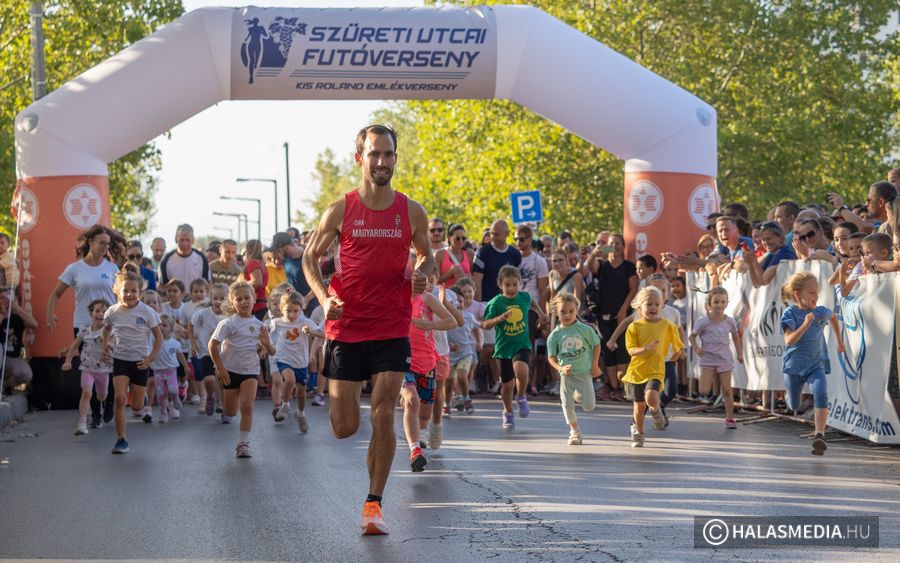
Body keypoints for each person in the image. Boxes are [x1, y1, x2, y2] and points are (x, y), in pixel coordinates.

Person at [301, 124, 432, 536]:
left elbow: (426, 255)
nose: (381, 161)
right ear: (360, 159)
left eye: (388, 154)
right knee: (344, 427)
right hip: (347, 326)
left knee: (384, 413)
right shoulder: (340, 210)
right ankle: (353, 421)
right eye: (374, 154)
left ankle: (373, 505)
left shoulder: (411, 211)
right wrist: (324, 299)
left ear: (395, 158)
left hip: (392, 326)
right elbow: (309, 258)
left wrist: (422, 273)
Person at [47, 225, 120, 426]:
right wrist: (50, 312)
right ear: (90, 242)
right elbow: (56, 293)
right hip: (83, 325)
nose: (105, 247)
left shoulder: (112, 269)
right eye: (101, 243)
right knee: (90, 366)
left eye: (108, 244)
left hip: (108, 326)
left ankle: (109, 400)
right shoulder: (75, 269)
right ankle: (95, 414)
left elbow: (119, 297)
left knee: (110, 363)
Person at [210, 280, 275, 458]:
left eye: (247, 298)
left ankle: (243, 444)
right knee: (230, 412)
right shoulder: (228, 323)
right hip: (230, 371)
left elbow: (271, 351)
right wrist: (220, 368)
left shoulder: (260, 325)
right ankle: (230, 396)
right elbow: (212, 345)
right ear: (232, 302)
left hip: (250, 372)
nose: (244, 302)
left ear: (254, 299)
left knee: (247, 407)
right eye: (238, 299)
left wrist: (266, 345)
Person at [781, 272, 844, 455]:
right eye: (811, 292)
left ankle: (820, 435)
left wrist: (839, 341)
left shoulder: (820, 312)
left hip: (816, 365)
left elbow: (833, 317)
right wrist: (805, 325)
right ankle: (788, 397)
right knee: (794, 405)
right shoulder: (790, 313)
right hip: (794, 367)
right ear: (797, 294)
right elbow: (789, 341)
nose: (816, 296)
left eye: (817, 292)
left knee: (821, 393)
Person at [101, 270, 163, 454]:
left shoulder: (147, 312)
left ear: (140, 292)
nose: (129, 294)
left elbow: (159, 337)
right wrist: (105, 346)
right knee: (120, 399)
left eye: (133, 291)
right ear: (118, 291)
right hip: (120, 360)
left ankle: (142, 398)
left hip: (140, 362)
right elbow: (106, 329)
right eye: (125, 290)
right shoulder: (112, 311)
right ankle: (121, 440)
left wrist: (151, 358)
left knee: (137, 407)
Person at [482, 265, 549, 429]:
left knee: (522, 371)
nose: (511, 289)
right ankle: (508, 411)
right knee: (507, 385)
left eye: (514, 284)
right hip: (504, 348)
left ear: (520, 283)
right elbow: (485, 324)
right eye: (507, 285)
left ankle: (521, 396)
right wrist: (499, 318)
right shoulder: (496, 303)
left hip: (521, 344)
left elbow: (532, 302)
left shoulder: (524, 297)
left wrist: (541, 314)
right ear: (500, 285)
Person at [402, 279, 457, 471]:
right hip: (402, 360)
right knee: (411, 400)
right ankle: (415, 450)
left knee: (425, 412)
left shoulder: (426, 299)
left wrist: (429, 324)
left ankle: (425, 429)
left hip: (426, 362)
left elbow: (452, 321)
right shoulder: (395, 297)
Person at [622, 286, 684, 448]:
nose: (653, 307)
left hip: (656, 369)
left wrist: (678, 353)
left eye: (657, 304)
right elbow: (631, 350)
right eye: (649, 304)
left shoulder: (667, 325)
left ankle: (656, 411)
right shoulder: (634, 327)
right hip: (636, 372)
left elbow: (677, 343)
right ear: (639, 307)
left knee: (650, 398)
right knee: (639, 407)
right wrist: (645, 348)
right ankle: (639, 433)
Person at [587, 234, 637, 401]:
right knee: (608, 351)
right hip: (603, 315)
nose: (614, 246)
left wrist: (623, 310)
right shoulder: (602, 265)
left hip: (623, 315)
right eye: (611, 244)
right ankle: (614, 388)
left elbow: (633, 289)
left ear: (623, 247)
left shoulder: (629, 267)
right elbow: (590, 267)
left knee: (622, 350)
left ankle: (624, 388)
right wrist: (593, 254)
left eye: (617, 243)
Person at [546, 292, 601, 445]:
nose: (567, 315)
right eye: (563, 311)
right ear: (556, 312)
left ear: (577, 310)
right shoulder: (554, 336)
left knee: (589, 406)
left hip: (584, 373)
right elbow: (551, 358)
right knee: (567, 404)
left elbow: (597, 345)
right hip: (567, 375)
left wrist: (594, 365)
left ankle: (579, 395)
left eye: (571, 311)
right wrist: (561, 368)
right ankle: (574, 431)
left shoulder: (584, 329)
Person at [690, 287, 744, 429]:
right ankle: (711, 378)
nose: (719, 305)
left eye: (722, 302)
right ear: (709, 304)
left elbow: (736, 337)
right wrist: (697, 348)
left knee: (727, 390)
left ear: (726, 303)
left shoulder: (730, 321)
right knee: (703, 391)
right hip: (708, 358)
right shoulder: (703, 322)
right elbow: (692, 337)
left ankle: (730, 418)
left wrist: (740, 353)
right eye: (716, 302)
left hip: (724, 358)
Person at [270, 292, 321, 432]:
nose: (292, 315)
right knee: (290, 380)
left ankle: (300, 413)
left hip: (301, 362)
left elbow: (322, 334)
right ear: (281, 308)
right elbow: (268, 338)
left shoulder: (305, 322)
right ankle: (285, 404)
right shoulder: (276, 323)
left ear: (301, 309)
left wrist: (311, 332)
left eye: (295, 311)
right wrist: (263, 347)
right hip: (283, 358)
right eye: (288, 311)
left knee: (301, 395)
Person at [62, 299, 112, 434]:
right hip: (87, 368)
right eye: (97, 311)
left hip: (103, 370)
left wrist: (107, 342)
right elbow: (74, 346)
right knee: (86, 393)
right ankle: (82, 424)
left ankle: (104, 403)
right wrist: (68, 361)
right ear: (91, 313)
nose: (100, 314)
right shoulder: (84, 330)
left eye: (104, 312)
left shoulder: (108, 330)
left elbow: (115, 346)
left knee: (101, 396)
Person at [189, 283, 228, 417]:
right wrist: (193, 344)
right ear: (210, 299)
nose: (218, 302)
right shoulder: (203, 314)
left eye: (222, 299)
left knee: (223, 381)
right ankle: (210, 397)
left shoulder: (229, 316)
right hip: (206, 352)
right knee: (209, 380)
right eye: (215, 298)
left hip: (224, 354)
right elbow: (190, 325)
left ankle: (223, 406)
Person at [446, 285, 482, 415]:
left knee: (462, 376)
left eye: (460, 301)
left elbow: (478, 327)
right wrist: (449, 346)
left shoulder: (468, 317)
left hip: (466, 353)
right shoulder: (444, 318)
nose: (458, 304)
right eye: (454, 302)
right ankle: (447, 404)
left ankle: (466, 400)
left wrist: (479, 342)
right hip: (450, 355)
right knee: (449, 382)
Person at [150, 315, 189, 423]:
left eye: (164, 325)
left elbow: (180, 354)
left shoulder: (175, 343)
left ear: (171, 329)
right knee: (161, 393)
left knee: (173, 390)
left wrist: (185, 365)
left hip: (171, 371)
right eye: (159, 325)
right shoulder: (153, 341)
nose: (161, 327)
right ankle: (163, 413)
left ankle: (175, 400)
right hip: (158, 371)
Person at [471, 220, 521, 303]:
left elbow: (518, 280)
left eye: (497, 234)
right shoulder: (482, 253)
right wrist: (479, 305)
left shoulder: (515, 254)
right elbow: (477, 280)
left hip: (509, 302)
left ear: (507, 233)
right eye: (492, 233)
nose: (493, 237)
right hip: (488, 302)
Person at [1, 287, 37, 393]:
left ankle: (4, 386)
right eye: (2, 298)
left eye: (7, 298)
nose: (6, 301)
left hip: (11, 359)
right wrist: (2, 314)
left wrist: (16, 307)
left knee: (26, 373)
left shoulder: (16, 317)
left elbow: (34, 324)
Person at [435, 224, 474, 289]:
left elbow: (475, 279)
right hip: (447, 293)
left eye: (463, 238)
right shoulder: (440, 255)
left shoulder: (470, 254)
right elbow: (434, 281)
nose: (460, 241)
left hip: (464, 293)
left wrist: (466, 277)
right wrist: (449, 273)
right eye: (457, 238)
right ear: (449, 238)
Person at [241, 240, 269, 321]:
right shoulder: (262, 263)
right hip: (260, 303)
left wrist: (241, 285)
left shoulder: (253, 263)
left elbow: (257, 282)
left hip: (255, 306)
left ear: (248, 249)